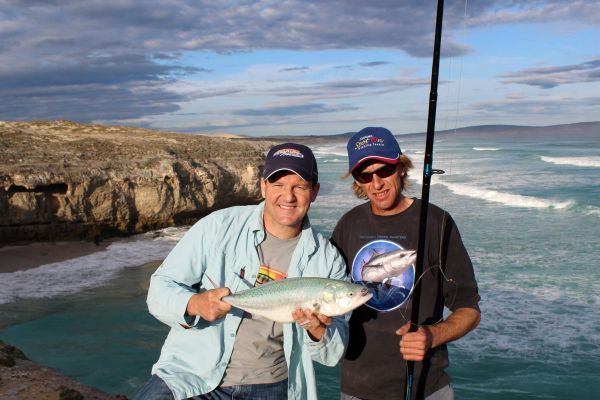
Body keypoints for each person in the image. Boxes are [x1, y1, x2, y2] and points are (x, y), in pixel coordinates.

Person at [135, 143, 348, 400]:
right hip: (190, 375)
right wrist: (193, 303)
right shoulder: (217, 227)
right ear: (263, 187)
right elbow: (159, 288)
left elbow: (334, 352)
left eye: (299, 187)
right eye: (278, 185)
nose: (288, 196)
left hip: (270, 385)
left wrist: (317, 330)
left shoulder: (327, 261)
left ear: (314, 192)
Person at [331, 127, 481, 400]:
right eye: (365, 175)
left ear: (401, 167)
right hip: (358, 388)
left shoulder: (437, 223)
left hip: (428, 387)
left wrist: (433, 336)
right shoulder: (348, 225)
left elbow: (469, 309)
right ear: (357, 180)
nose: (377, 183)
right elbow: (327, 292)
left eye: (385, 170)